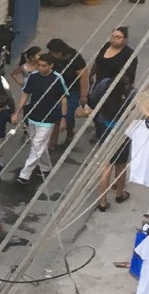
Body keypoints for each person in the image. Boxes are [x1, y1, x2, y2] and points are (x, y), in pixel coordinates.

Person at [14, 54, 66, 186]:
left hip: (48, 118)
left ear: (51, 66)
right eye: (39, 65)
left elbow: (63, 98)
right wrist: (18, 111)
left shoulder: (57, 78)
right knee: (38, 146)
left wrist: (64, 118)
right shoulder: (33, 76)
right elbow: (26, 94)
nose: (40, 68)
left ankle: (24, 174)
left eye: (44, 66)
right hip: (33, 116)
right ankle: (46, 167)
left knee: (37, 146)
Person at [93, 71, 134, 212]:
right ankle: (119, 193)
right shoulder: (129, 96)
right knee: (121, 164)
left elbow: (93, 99)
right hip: (123, 132)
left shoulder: (104, 87)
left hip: (105, 129)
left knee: (106, 165)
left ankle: (103, 202)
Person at [48, 39, 86, 148]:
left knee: (67, 115)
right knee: (54, 116)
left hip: (72, 91)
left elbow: (83, 77)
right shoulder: (51, 57)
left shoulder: (75, 58)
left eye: (56, 52)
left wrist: (83, 95)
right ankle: (52, 143)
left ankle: (70, 132)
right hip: (55, 91)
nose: (54, 55)